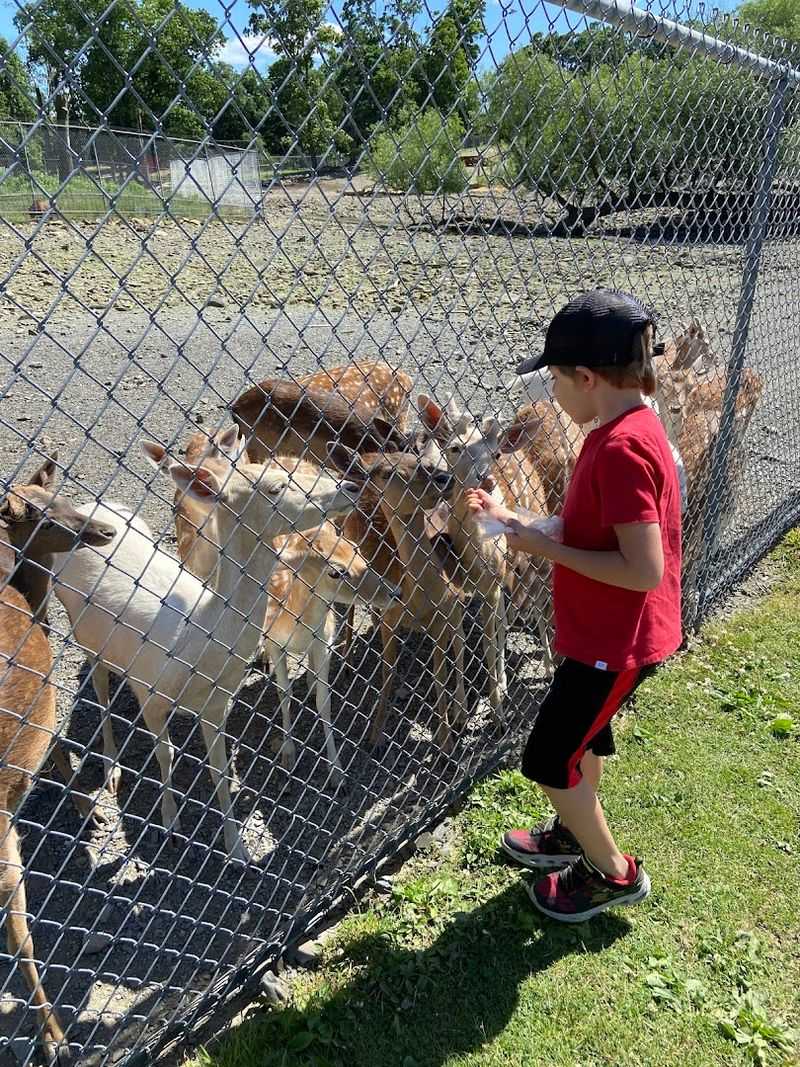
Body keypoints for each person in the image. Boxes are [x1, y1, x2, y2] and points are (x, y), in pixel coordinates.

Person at [466, 289, 682, 922]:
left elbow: (643, 569)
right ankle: (573, 834)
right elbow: (595, 527)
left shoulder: (618, 450)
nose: (549, 392)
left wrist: (541, 546)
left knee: (548, 758)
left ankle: (614, 874)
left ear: (587, 378)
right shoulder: (626, 427)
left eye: (554, 378)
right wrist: (523, 523)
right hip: (601, 637)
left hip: (617, 643)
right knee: (582, 740)